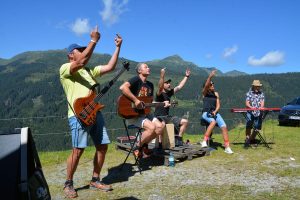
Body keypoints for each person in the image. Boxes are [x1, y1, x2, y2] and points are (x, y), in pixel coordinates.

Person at [59, 26, 122, 198]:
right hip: (78, 115)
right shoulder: (65, 68)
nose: (82, 51)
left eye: (82, 49)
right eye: (79, 50)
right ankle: (68, 183)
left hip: (95, 112)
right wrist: (93, 40)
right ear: (70, 55)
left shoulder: (88, 71)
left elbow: (110, 67)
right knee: (78, 150)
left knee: (102, 146)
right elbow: (80, 62)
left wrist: (118, 47)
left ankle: (95, 179)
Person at [119, 63, 166, 157]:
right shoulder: (136, 79)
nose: (149, 68)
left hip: (145, 113)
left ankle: (142, 146)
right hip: (133, 113)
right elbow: (122, 87)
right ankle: (137, 147)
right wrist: (136, 100)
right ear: (139, 71)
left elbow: (150, 102)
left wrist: (163, 103)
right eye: (146, 67)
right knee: (152, 128)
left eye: (148, 66)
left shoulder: (150, 85)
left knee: (160, 127)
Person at [154, 68, 190, 146]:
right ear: (162, 84)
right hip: (158, 117)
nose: (169, 84)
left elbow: (179, 86)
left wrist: (186, 76)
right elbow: (160, 87)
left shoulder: (169, 93)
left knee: (185, 121)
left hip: (167, 117)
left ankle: (179, 140)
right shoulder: (159, 94)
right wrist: (162, 75)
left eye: (169, 83)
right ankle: (160, 145)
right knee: (162, 125)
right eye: (167, 83)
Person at [200, 70, 233, 154]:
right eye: (211, 84)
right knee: (213, 122)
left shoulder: (216, 94)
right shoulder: (204, 93)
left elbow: (218, 105)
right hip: (206, 113)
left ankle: (227, 147)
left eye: (213, 83)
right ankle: (204, 141)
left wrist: (215, 111)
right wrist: (210, 77)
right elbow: (206, 85)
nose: (213, 85)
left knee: (224, 126)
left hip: (215, 113)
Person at [244, 80, 265, 148]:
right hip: (250, 111)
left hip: (259, 112)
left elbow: (262, 102)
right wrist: (251, 107)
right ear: (253, 86)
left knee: (257, 127)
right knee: (249, 125)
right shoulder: (249, 93)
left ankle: (251, 139)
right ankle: (247, 139)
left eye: (258, 86)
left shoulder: (261, 93)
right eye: (256, 86)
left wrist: (261, 107)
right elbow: (247, 103)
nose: (257, 88)